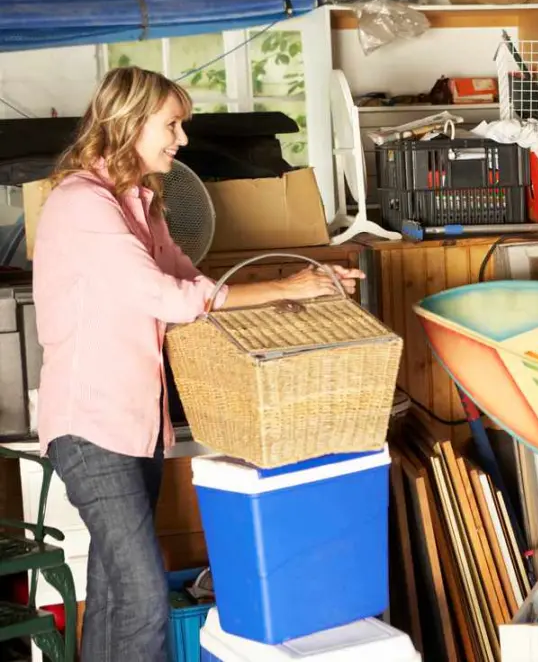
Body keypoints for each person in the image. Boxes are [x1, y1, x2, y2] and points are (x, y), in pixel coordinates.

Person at [32, 66, 365, 661]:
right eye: (172, 124)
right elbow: (172, 299)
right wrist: (291, 283)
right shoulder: (82, 203)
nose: (182, 139)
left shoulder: (142, 203)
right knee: (141, 597)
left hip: (137, 424)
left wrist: (304, 288)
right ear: (129, 123)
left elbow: (194, 281)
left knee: (113, 595)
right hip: (90, 425)